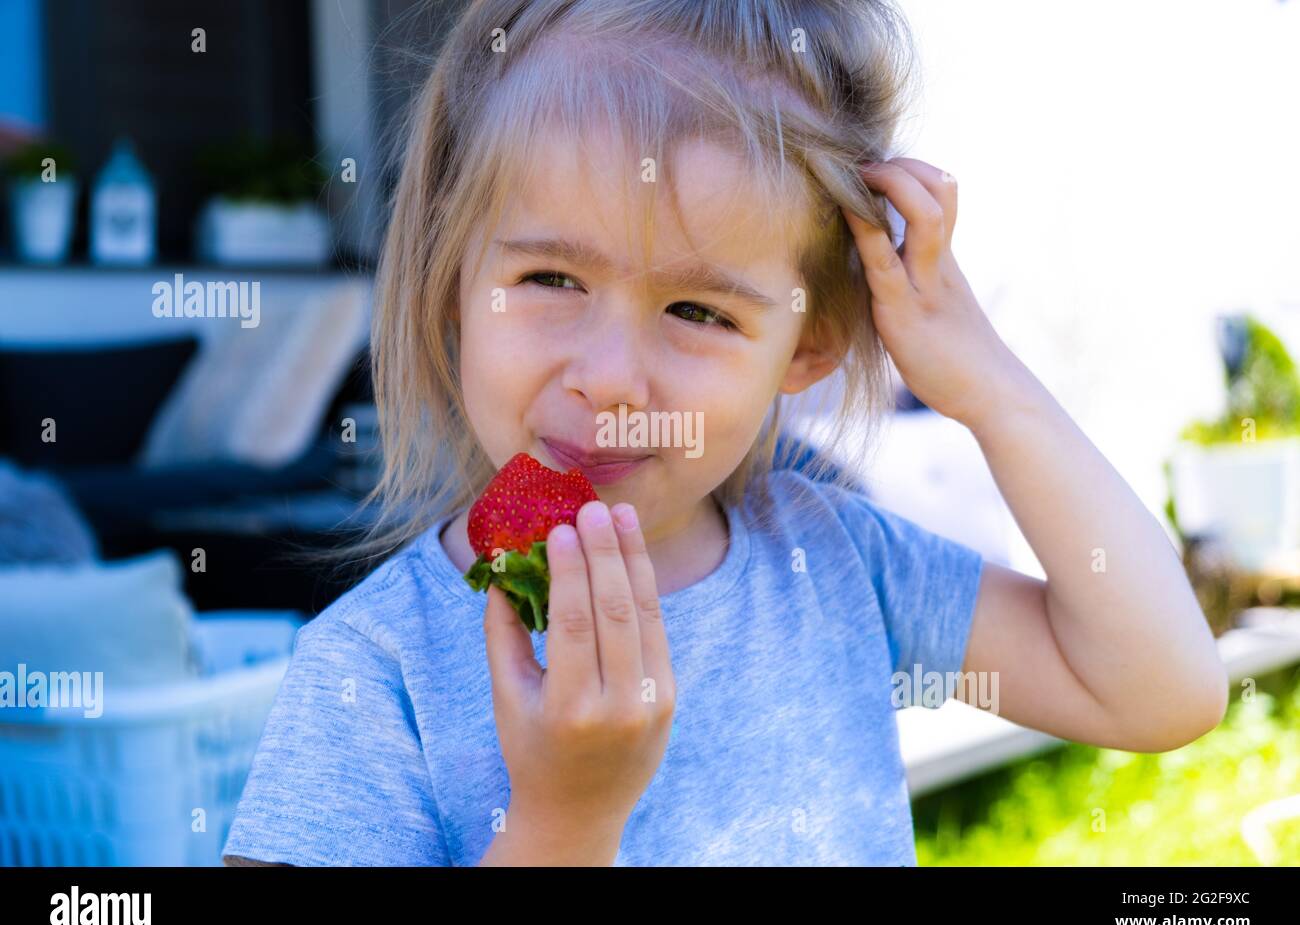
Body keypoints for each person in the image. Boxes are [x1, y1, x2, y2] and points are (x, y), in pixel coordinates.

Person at [222, 0, 1226, 866]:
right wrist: (563, 819)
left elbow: (1160, 690)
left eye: (700, 311)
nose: (611, 375)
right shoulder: (372, 671)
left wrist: (993, 388)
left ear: (807, 346)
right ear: (450, 284)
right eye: (550, 278)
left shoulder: (838, 566)